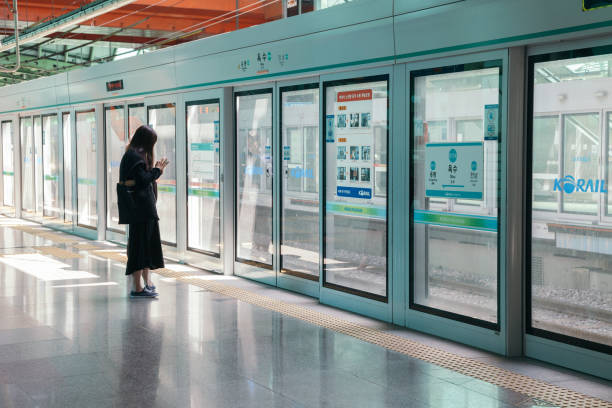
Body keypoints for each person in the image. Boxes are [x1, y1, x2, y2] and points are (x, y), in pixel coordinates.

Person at [118, 125, 169, 298]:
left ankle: (144, 283)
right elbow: (142, 180)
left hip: (142, 209)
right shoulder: (134, 156)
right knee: (140, 246)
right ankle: (137, 287)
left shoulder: (132, 154)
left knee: (144, 245)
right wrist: (158, 170)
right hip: (141, 210)